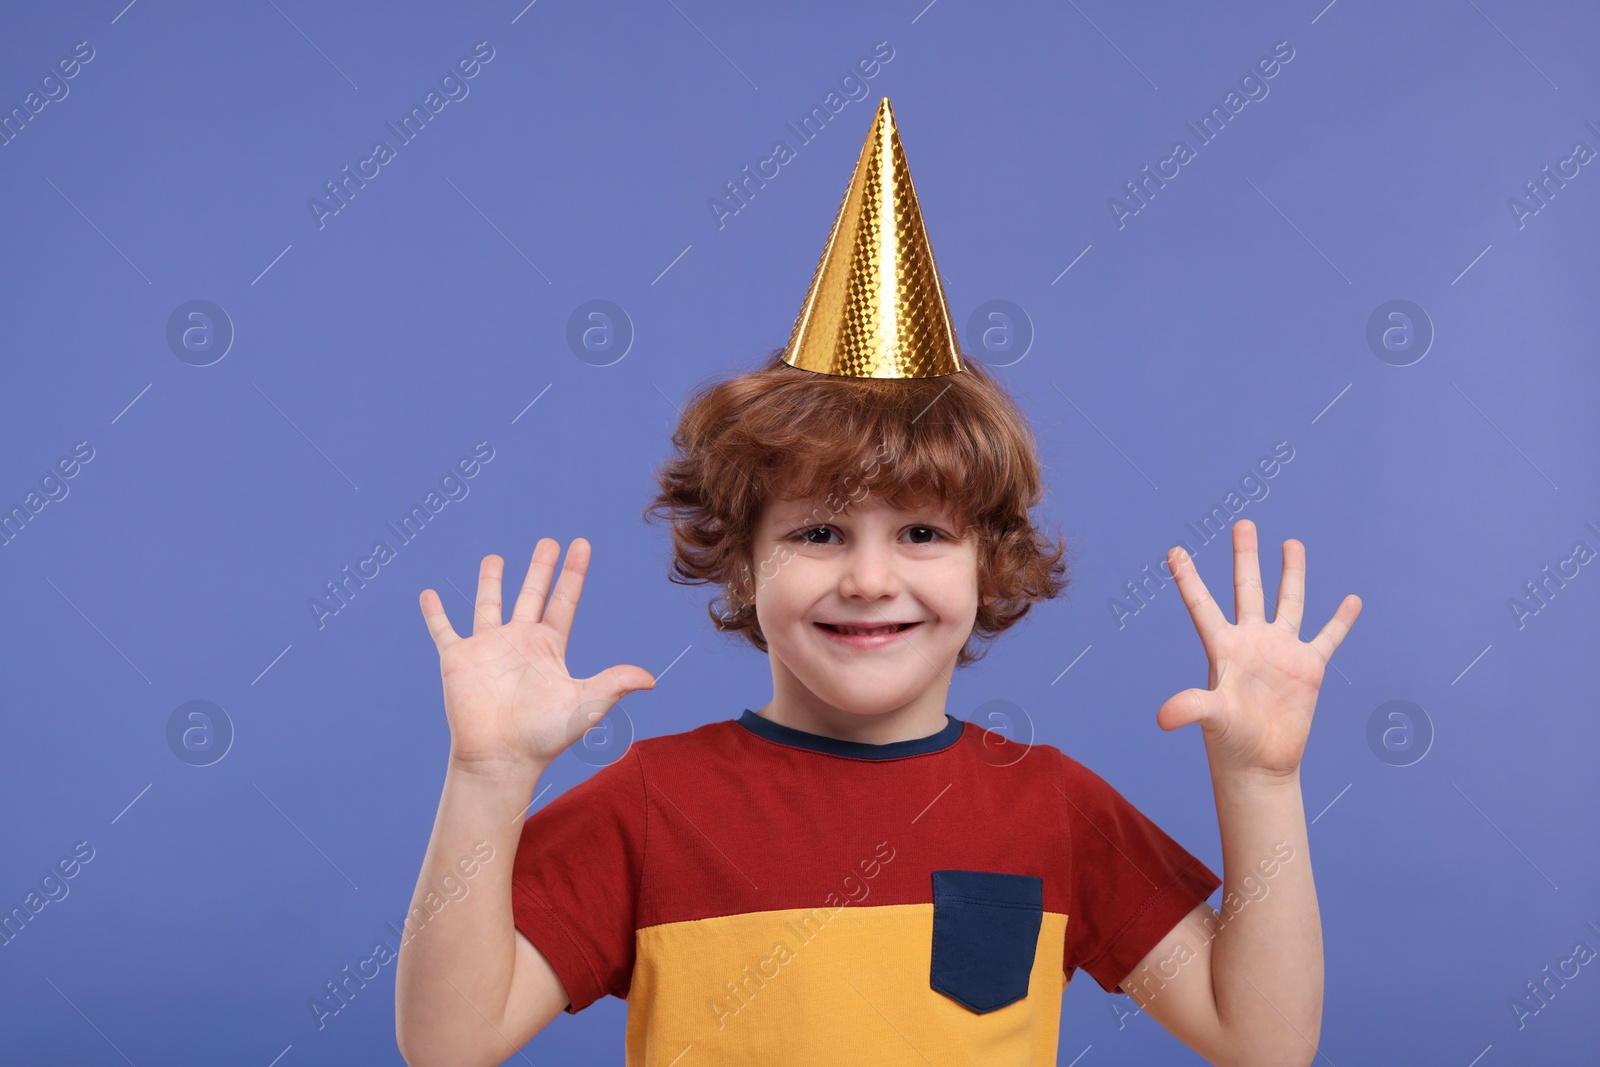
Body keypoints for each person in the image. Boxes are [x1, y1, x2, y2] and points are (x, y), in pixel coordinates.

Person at [394, 98, 1362, 1067]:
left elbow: (1265, 1042)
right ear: (740, 557)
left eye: (920, 532)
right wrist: (485, 780)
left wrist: (1260, 781)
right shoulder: (651, 800)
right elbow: (448, 1043)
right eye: (818, 531)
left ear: (988, 563)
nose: (868, 577)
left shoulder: (1055, 808)